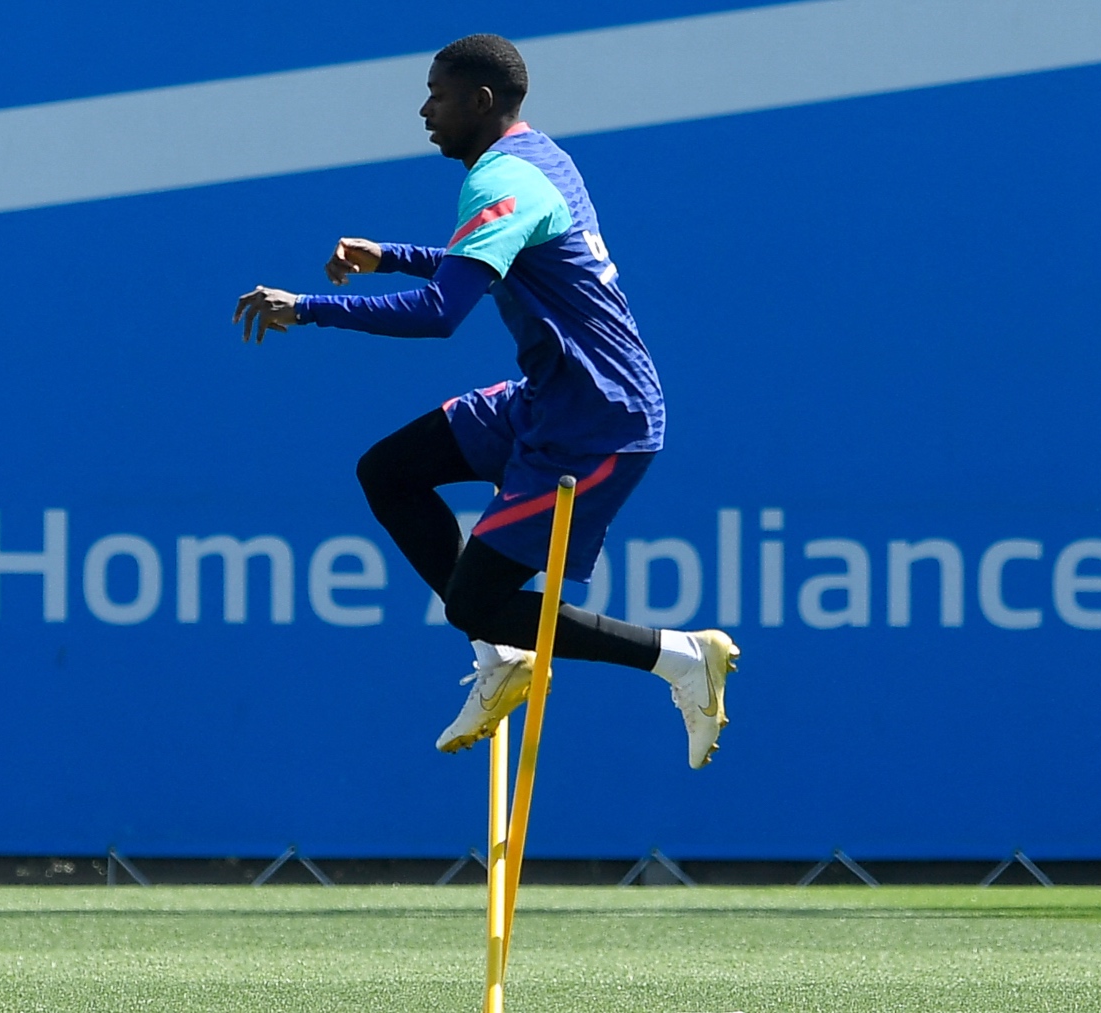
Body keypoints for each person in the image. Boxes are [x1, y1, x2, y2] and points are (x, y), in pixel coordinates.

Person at [233, 34, 737, 768]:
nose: (424, 109)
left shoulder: (506, 179)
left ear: (481, 101)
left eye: (437, 94)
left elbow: (442, 313)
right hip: (548, 397)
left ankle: (681, 657)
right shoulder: (535, 159)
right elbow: (488, 262)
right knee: (388, 471)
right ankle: (502, 649)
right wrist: (392, 255)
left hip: (599, 422)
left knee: (473, 599)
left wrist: (309, 307)